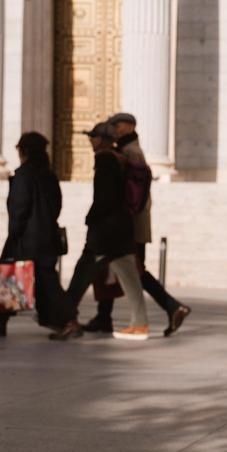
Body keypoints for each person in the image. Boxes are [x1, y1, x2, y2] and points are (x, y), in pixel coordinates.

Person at [80, 112, 191, 337]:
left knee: (133, 271)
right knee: (111, 269)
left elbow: (131, 194)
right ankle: (104, 316)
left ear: (130, 126)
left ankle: (171, 306)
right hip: (124, 223)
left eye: (118, 124)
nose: (115, 129)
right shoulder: (124, 151)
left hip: (130, 224)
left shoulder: (131, 153)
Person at [0, 132, 80, 339]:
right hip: (47, 236)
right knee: (32, 278)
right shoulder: (48, 175)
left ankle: (69, 320)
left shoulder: (24, 175)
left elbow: (19, 209)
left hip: (26, 238)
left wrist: (15, 233)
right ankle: (1, 319)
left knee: (33, 280)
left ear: (23, 151)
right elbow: (56, 206)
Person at [63, 122, 151, 341]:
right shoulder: (119, 158)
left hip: (105, 231)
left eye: (93, 138)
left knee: (82, 275)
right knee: (130, 278)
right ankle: (139, 324)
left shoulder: (104, 159)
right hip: (122, 227)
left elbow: (104, 196)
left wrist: (91, 217)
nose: (91, 142)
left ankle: (65, 318)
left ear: (101, 139)